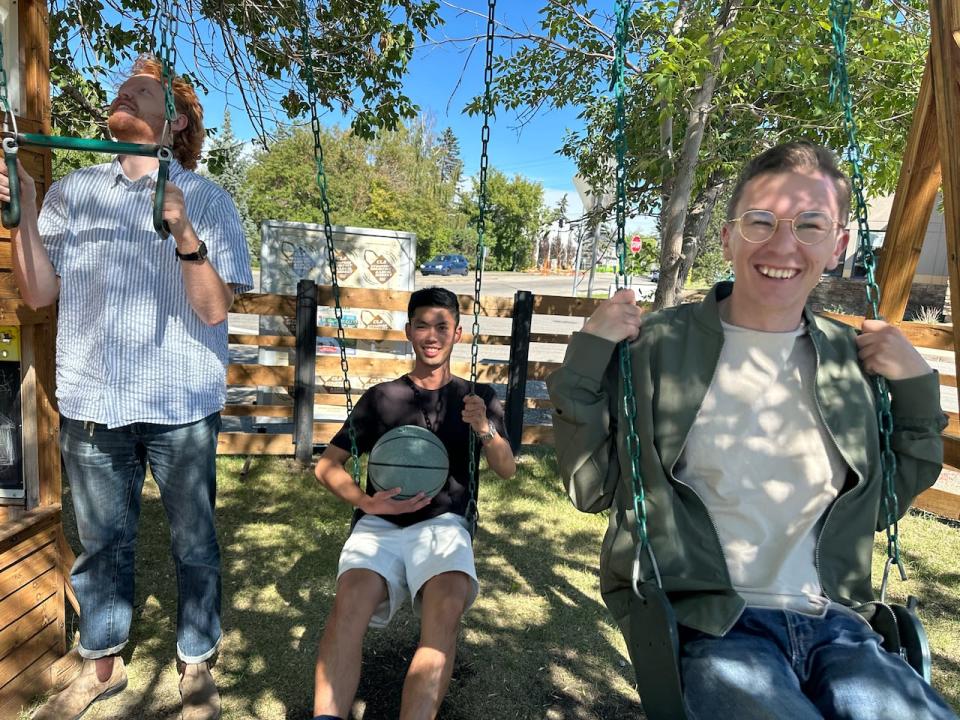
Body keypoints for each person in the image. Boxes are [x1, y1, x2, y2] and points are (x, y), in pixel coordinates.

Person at [547, 141, 957, 719]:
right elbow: (594, 487)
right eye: (760, 221)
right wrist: (590, 353)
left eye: (810, 225)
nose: (782, 245)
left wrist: (916, 385)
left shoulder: (853, 360)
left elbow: (882, 504)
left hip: (840, 624)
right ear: (728, 236)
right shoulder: (657, 348)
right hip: (715, 624)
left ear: (839, 244)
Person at [0, 55, 253, 720]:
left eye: (141, 93)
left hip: (181, 406)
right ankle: (102, 664)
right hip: (93, 402)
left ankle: (196, 660)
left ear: (174, 124)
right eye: (122, 90)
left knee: (193, 541)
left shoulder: (211, 201)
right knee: (102, 543)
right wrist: (24, 207)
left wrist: (185, 234)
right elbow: (37, 290)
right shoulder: (72, 194)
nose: (125, 97)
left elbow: (214, 311)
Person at [313, 286, 516, 720]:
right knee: (347, 607)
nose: (431, 334)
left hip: (444, 525)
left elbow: (506, 468)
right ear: (408, 331)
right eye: (422, 324)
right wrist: (370, 504)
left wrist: (483, 426)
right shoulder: (382, 398)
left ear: (457, 333)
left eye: (441, 326)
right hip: (380, 528)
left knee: (445, 610)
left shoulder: (478, 398)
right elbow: (327, 466)